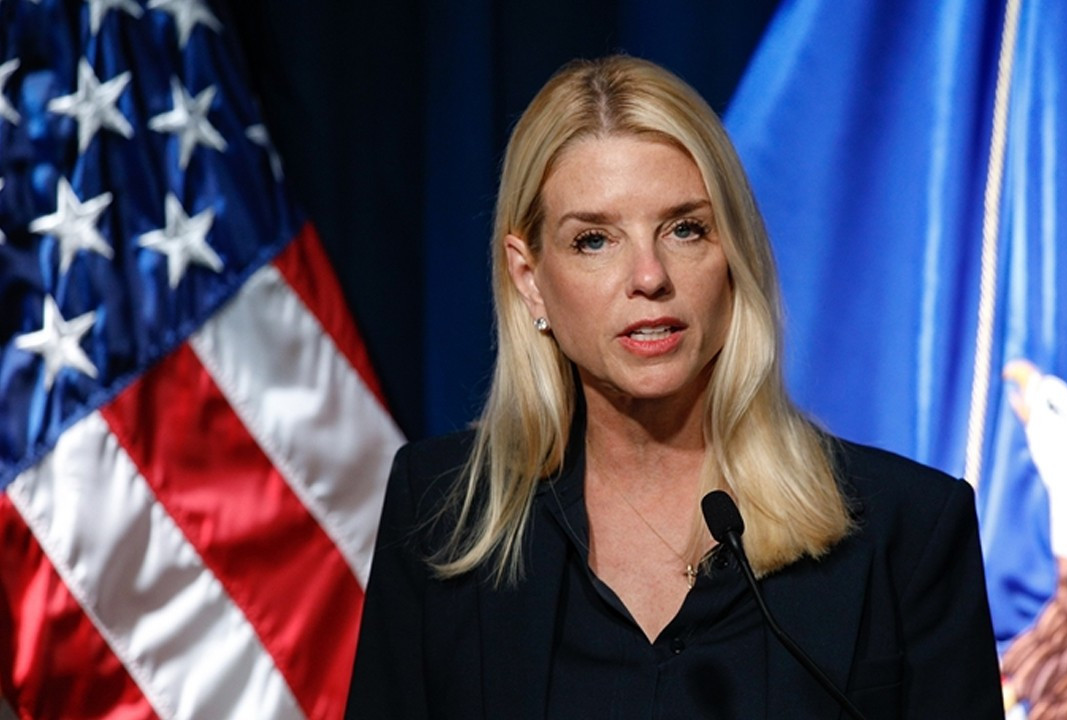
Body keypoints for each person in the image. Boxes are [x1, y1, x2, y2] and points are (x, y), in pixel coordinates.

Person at [345, 55, 1003, 719]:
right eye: (594, 240)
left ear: (734, 253)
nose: (650, 276)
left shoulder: (909, 530)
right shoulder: (440, 511)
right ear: (530, 278)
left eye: (685, 229)